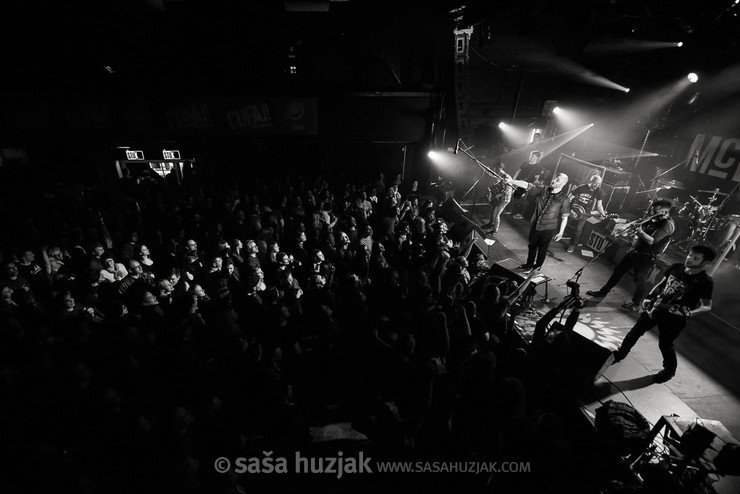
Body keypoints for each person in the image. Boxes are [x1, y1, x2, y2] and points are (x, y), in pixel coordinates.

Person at [612, 245, 715, 382]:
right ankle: (620, 354)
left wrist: (688, 313)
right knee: (635, 331)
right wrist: (649, 297)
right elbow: (661, 284)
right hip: (656, 307)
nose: (689, 259)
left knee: (665, 345)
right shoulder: (676, 267)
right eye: (690, 255)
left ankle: (669, 371)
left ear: (705, 263)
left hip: (674, 319)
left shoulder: (705, 281)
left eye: (695, 258)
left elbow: (706, 306)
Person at [586, 199, 675, 310]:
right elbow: (641, 222)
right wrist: (626, 227)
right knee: (618, 271)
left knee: (639, 280)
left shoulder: (667, 224)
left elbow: (652, 241)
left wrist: (640, 232)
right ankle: (603, 292)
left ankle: (635, 302)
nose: (651, 214)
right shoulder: (654, 218)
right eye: (652, 210)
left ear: (664, 212)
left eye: (655, 211)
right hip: (636, 251)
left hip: (646, 257)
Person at [506, 172, 571, 271]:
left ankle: (537, 268)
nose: (553, 181)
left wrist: (561, 232)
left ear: (563, 183)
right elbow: (528, 185)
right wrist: (511, 181)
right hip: (535, 225)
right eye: (554, 178)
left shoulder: (564, 199)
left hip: (549, 228)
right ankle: (528, 265)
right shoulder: (543, 190)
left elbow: (565, 217)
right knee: (532, 246)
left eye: (557, 180)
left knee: (542, 250)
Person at [566, 175, 607, 253]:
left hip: (584, 213)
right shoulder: (580, 188)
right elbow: (568, 199)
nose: (597, 185)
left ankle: (572, 245)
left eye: (599, 184)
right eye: (595, 183)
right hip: (573, 209)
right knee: (562, 221)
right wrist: (570, 210)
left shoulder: (599, 191)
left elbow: (599, 205)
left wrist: (603, 214)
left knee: (578, 230)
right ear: (590, 182)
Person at [510, 150, 544, 219]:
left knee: (524, 198)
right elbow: (518, 171)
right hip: (518, 182)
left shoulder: (538, 167)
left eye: (532, 156)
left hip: (527, 184)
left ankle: (522, 213)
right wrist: (513, 180)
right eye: (530, 155)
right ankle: (510, 210)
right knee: (511, 193)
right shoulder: (525, 163)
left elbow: (536, 179)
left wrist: (531, 185)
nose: (530, 157)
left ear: (536, 158)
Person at [481, 162, 513, 234]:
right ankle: (491, 224)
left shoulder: (506, 177)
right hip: (499, 197)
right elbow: (495, 182)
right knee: (493, 212)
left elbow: (506, 191)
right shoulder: (499, 175)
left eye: (496, 169)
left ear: (501, 168)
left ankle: (495, 230)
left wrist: (497, 195)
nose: (495, 170)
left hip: (504, 199)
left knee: (496, 214)